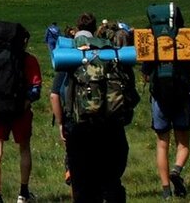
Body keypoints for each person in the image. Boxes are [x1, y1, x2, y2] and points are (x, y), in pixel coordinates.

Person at [51, 12, 137, 203]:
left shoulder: (73, 58)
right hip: (113, 131)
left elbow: (56, 94)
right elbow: (132, 96)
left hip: (80, 131)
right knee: (112, 182)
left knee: (83, 189)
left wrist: (61, 123)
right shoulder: (113, 57)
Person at [142, 9, 190, 198]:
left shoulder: (152, 41)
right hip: (183, 96)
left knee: (162, 143)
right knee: (183, 143)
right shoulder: (189, 39)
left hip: (160, 98)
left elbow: (145, 76)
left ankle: (165, 190)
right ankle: (176, 171)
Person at [0, 24, 42, 203]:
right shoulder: (28, 60)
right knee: (24, 149)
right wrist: (25, 104)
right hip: (20, 110)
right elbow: (35, 89)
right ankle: (23, 193)